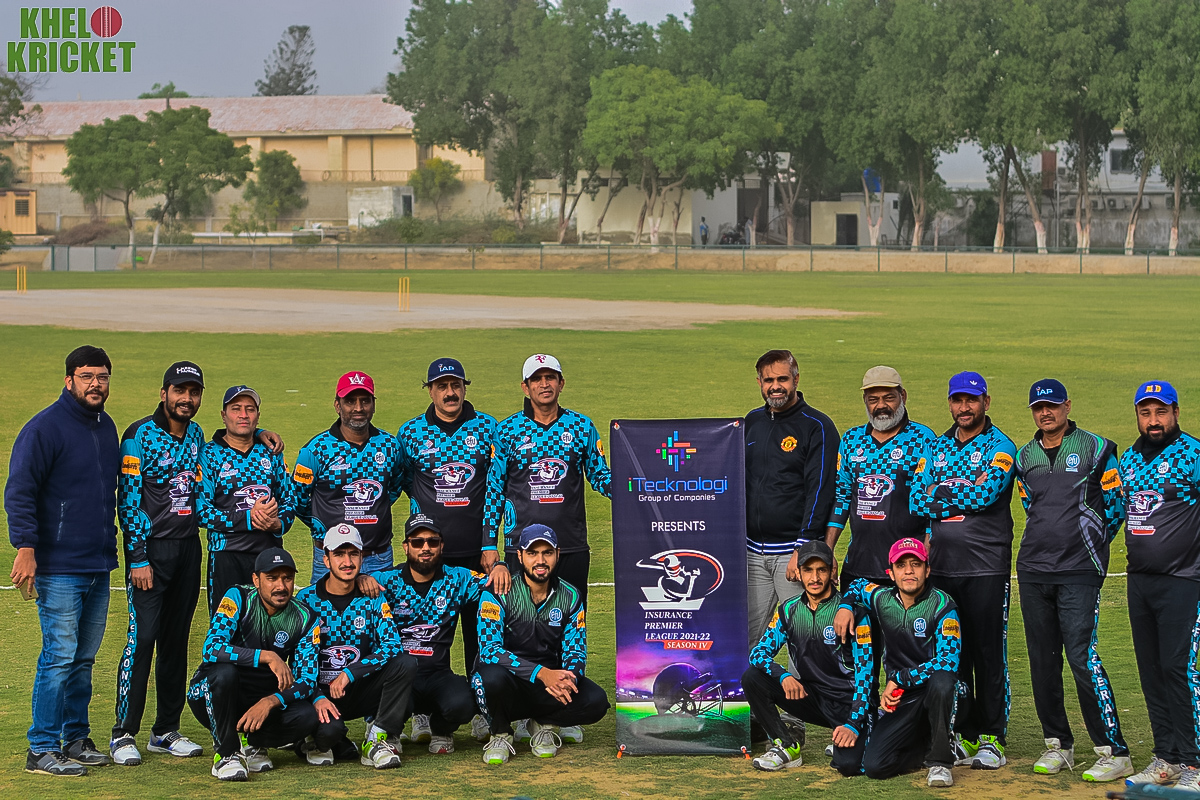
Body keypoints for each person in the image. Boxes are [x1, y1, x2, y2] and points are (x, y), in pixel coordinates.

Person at [6, 346, 120, 776]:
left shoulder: (106, 427)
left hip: (97, 564)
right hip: (58, 568)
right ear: (69, 380)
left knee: (83, 659)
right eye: (87, 376)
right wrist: (26, 547)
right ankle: (41, 748)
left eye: (102, 377)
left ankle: (75, 739)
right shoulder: (44, 428)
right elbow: (20, 491)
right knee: (59, 656)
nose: (95, 384)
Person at [1014, 379, 1132, 782]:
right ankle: (1057, 745)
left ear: (1066, 406)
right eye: (1038, 407)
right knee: (1042, 661)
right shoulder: (1024, 456)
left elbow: (1116, 506)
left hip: (1080, 570)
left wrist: (1090, 543)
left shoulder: (1096, 448)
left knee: (1082, 658)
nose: (1045, 413)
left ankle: (1114, 751)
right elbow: (1029, 504)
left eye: (1051, 405)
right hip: (1033, 570)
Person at [911, 371, 1016, 770]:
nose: (964, 407)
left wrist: (940, 492)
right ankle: (965, 734)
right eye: (958, 400)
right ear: (950, 403)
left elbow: (988, 494)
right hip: (942, 569)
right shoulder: (936, 447)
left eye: (972, 400)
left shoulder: (1000, 446)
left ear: (986, 402)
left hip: (986, 568)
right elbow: (916, 499)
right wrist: (962, 490)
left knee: (988, 653)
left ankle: (993, 737)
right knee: (952, 654)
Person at [110, 361, 210, 766]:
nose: (186, 399)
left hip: (188, 550)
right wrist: (137, 557)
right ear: (163, 392)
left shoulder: (197, 434)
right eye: (179, 390)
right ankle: (123, 733)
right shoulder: (138, 436)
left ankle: (165, 730)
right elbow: (128, 501)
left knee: (175, 641)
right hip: (150, 555)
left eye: (193, 392)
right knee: (143, 639)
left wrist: (260, 434)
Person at [394, 358, 503, 700]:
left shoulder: (488, 427)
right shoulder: (411, 432)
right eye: (441, 386)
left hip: (476, 553)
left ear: (464, 388)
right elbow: (402, 480)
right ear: (430, 391)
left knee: (480, 632)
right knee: (423, 634)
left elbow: (497, 485)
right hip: (427, 555)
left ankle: (482, 706)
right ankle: (422, 709)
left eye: (456, 385)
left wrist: (489, 543)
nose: (450, 392)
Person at [1118, 381, 1200, 790]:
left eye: (1161, 412)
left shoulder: (1193, 455)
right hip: (1140, 580)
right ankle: (1166, 758)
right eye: (1146, 412)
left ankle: (1194, 764)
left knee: (1177, 669)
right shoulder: (1129, 459)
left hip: (1184, 580)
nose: (1154, 420)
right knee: (1150, 671)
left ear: (1176, 413)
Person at [472, 525, 610, 765]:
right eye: (532, 553)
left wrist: (569, 679)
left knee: (596, 701)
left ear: (558, 554)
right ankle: (501, 734)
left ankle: (542, 722)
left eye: (547, 553)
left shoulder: (571, 596)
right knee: (490, 679)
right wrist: (541, 673)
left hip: (548, 686)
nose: (540, 560)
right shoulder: (497, 592)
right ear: (520, 556)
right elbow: (489, 650)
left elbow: (576, 651)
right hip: (509, 682)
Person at [375, 514, 510, 752]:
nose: (425, 548)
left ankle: (440, 728)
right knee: (380, 691)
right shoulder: (386, 580)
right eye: (418, 542)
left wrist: (501, 566)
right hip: (401, 675)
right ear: (406, 547)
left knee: (463, 703)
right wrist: (362, 579)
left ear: (441, 546)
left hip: (438, 674)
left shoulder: (457, 578)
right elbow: (346, 586)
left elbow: (493, 583)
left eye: (433, 541)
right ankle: (392, 732)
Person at [186, 548, 321, 781]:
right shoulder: (237, 597)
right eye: (272, 578)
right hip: (212, 692)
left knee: (307, 716)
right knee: (225, 674)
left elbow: (308, 680)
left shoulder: (306, 617)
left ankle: (253, 743)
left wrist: (270, 701)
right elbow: (211, 648)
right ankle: (226, 754)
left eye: (287, 578)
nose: (281, 586)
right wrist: (267, 656)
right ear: (256, 580)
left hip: (261, 698)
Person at [489, 353, 610, 609]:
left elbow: (600, 476)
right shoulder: (507, 430)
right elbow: (494, 489)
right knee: (521, 620)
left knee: (572, 620)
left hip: (570, 546)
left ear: (561, 383)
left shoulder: (581, 427)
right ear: (525, 387)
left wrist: (638, 487)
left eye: (550, 378)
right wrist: (488, 543)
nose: (544, 384)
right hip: (522, 548)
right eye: (536, 379)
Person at [838, 538, 962, 787]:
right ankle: (925, 749)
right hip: (901, 699)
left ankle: (940, 761)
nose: (909, 571)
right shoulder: (882, 598)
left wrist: (900, 678)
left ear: (927, 570)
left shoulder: (943, 604)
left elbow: (949, 661)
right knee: (875, 766)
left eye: (916, 564)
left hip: (937, 693)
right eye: (901, 565)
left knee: (942, 682)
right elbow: (857, 585)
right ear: (891, 573)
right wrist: (845, 606)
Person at [744, 540, 873, 775]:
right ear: (799, 573)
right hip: (811, 697)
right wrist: (783, 676)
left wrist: (854, 723)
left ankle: (871, 726)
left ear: (832, 571)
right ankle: (786, 745)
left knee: (849, 765)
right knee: (752, 677)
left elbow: (866, 676)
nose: (815, 578)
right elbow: (758, 653)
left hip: (847, 702)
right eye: (808, 570)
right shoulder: (788, 610)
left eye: (821, 570)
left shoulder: (853, 613)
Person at [296, 524, 416, 769]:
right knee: (329, 734)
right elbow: (299, 661)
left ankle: (377, 739)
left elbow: (392, 646)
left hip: (358, 688)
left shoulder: (373, 596)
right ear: (326, 559)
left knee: (405, 665)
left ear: (362, 557)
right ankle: (315, 738)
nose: (347, 562)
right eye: (339, 554)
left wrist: (350, 673)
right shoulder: (306, 600)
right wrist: (316, 696)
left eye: (353, 554)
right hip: (321, 694)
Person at [745, 348, 838, 656]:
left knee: (802, 642)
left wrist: (803, 547)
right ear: (759, 382)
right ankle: (755, 691)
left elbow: (820, 490)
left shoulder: (817, 426)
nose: (776, 386)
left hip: (793, 554)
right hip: (751, 553)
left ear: (796, 379)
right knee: (748, 641)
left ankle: (800, 692)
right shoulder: (751, 422)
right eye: (768, 380)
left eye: (782, 379)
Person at [818, 366, 935, 592]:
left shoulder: (923, 439)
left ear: (903, 396)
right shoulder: (851, 439)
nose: (881, 405)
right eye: (873, 399)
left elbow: (930, 502)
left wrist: (927, 549)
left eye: (889, 398)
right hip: (859, 565)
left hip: (906, 567)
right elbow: (842, 498)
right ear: (865, 400)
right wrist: (828, 550)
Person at [293, 371, 405, 584]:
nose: (358, 408)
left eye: (365, 401)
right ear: (337, 405)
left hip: (378, 557)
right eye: (350, 401)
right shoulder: (315, 450)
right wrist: (321, 524)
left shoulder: (390, 446)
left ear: (373, 404)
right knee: (325, 607)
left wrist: (373, 510)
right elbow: (297, 498)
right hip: (330, 557)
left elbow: (394, 488)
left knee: (379, 607)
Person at [197, 385, 297, 616]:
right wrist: (249, 519)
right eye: (236, 409)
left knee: (269, 626)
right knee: (226, 625)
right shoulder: (209, 455)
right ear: (223, 415)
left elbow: (290, 500)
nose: (243, 415)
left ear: (257, 416)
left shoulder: (271, 451)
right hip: (226, 556)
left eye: (250, 409)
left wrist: (279, 524)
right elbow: (202, 512)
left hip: (269, 555)